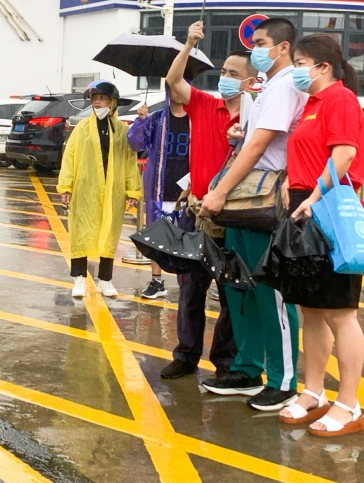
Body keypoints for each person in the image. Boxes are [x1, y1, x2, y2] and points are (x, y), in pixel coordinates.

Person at [200, 18, 308, 411]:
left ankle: (283, 381)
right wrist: (239, 136)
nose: (254, 52)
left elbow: (262, 145)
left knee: (271, 293)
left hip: (264, 200)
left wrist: (220, 190)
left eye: (261, 43)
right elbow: (255, 138)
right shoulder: (268, 88)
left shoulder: (284, 85)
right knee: (239, 285)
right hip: (248, 198)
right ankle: (247, 369)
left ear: (282, 48)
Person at [277, 34, 364, 436]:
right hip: (303, 205)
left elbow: (344, 154)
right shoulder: (310, 104)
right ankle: (314, 391)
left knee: (339, 311)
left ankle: (349, 403)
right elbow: (308, 152)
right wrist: (290, 183)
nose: (296, 70)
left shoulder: (339, 99)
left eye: (300, 62)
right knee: (310, 309)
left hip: (328, 206)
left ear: (323, 67)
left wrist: (313, 195)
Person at [158, 22, 255, 382]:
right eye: (223, 71)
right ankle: (186, 355)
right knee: (191, 290)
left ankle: (225, 361)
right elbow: (174, 80)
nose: (225, 77)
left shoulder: (254, 117)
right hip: (198, 214)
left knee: (231, 294)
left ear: (250, 82)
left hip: (234, 217)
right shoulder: (204, 104)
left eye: (234, 73)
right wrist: (188, 43)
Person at [58, 80, 142, 298]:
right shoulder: (82, 129)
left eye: (102, 98)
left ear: (112, 102)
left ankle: (105, 280)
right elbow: (69, 157)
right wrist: (65, 187)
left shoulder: (122, 131)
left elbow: (130, 160)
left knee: (110, 233)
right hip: (85, 189)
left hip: (112, 191)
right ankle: (79, 280)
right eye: (95, 99)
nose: (98, 102)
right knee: (81, 233)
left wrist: (132, 190)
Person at [127, 89, 193, 299]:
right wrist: (140, 121)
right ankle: (157, 282)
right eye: (174, 86)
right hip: (158, 188)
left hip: (188, 191)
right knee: (156, 236)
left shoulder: (196, 120)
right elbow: (136, 144)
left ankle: (188, 283)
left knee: (188, 237)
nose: (178, 91)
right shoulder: (156, 119)